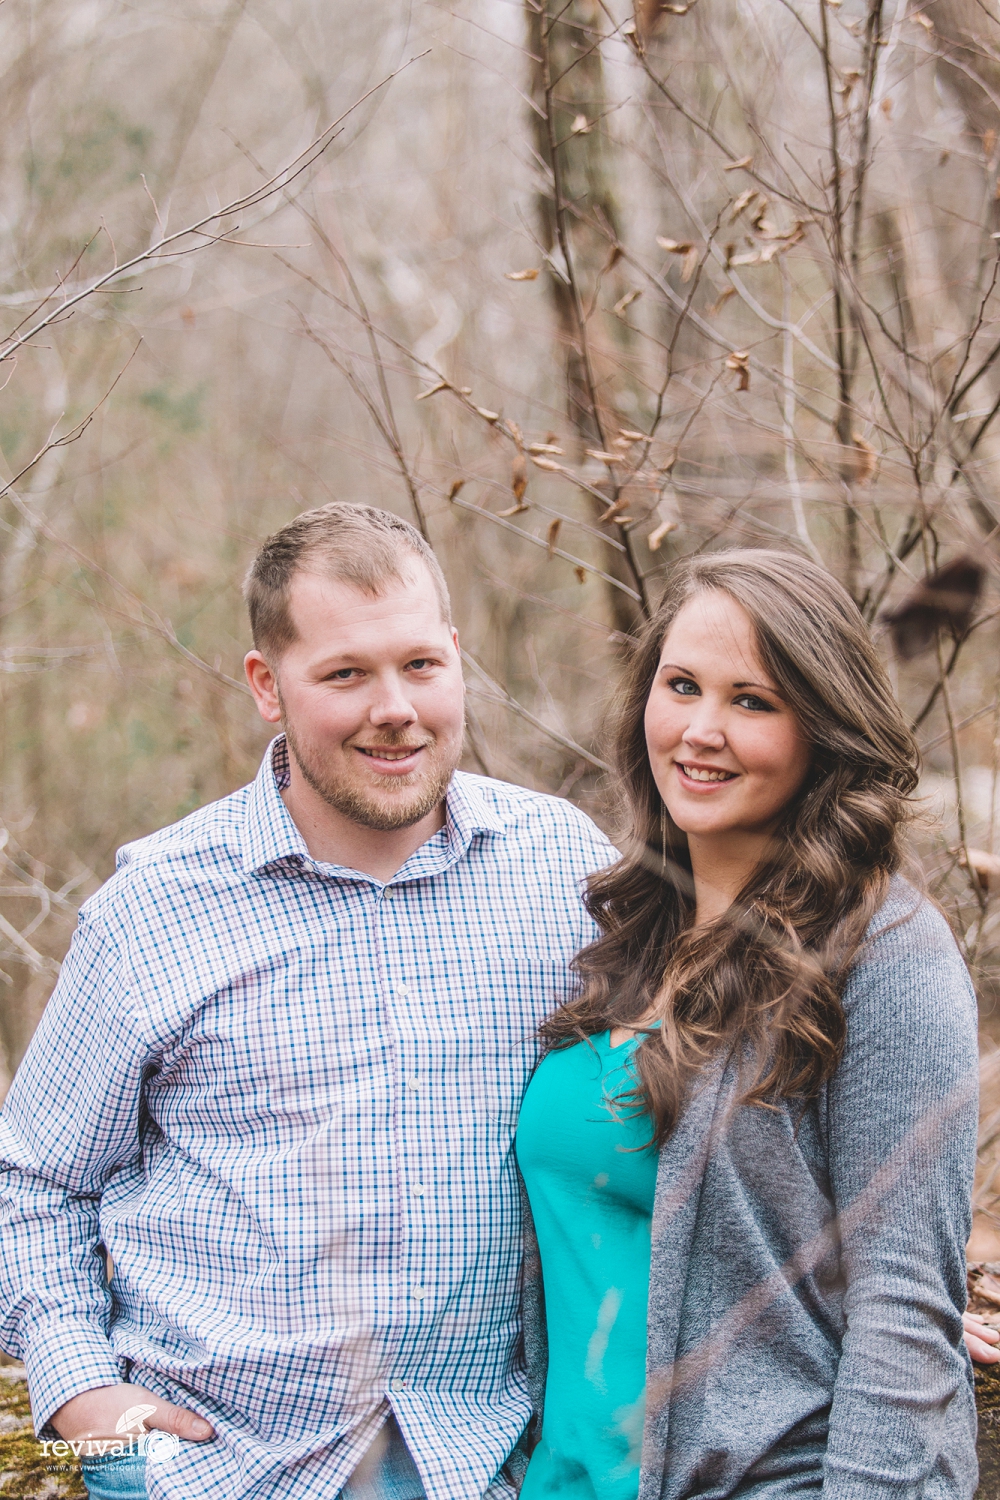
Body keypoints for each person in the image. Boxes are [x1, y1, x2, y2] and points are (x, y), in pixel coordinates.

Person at [0, 503, 614, 1500]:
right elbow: (32, 1183)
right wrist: (81, 1398)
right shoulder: (154, 910)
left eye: (419, 664)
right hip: (207, 1467)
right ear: (266, 687)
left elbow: (689, 1107)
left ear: (456, 658)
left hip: (487, 1456)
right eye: (344, 674)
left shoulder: (563, 872)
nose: (395, 707)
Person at [515, 550, 981, 1499]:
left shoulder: (884, 952)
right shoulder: (623, 930)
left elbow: (901, 1312)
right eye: (680, 686)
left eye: (752, 702)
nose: (700, 730)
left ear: (823, 729)